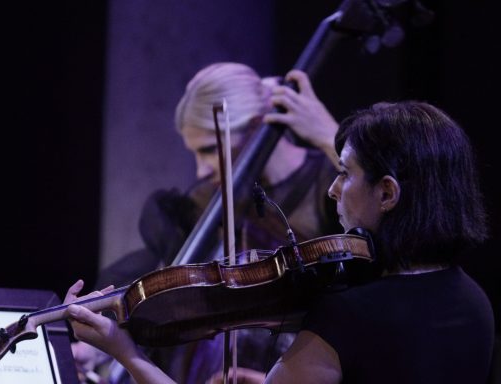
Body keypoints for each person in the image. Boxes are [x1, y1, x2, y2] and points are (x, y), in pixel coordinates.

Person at [65, 100, 496, 383]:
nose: (332, 189)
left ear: (387, 193)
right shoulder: (476, 301)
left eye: (345, 173)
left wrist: (125, 352)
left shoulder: (349, 313)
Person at [71, 62, 343, 383]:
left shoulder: (331, 183)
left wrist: (331, 138)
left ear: (256, 125)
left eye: (209, 150)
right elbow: (168, 287)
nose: (201, 171)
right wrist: (99, 347)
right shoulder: (205, 200)